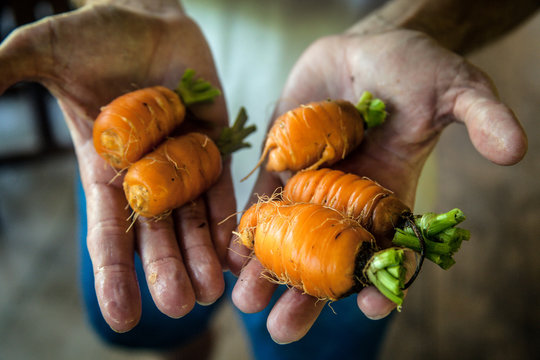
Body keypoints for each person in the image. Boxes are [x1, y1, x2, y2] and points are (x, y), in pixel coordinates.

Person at [0, 0, 535, 358]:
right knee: (155, 319)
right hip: (147, 86)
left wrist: (416, 25)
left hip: (371, 138)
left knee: (313, 346)